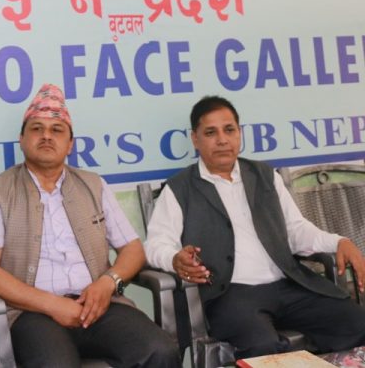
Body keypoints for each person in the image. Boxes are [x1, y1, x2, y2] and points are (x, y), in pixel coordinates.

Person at [0, 83, 181, 368]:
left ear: (70, 143)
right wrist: (52, 304)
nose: (46, 135)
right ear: (21, 139)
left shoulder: (93, 185)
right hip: (31, 314)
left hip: (99, 306)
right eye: (36, 128)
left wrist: (108, 283)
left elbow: (132, 249)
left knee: (160, 350)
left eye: (57, 130)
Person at [144, 95, 365, 359]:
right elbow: (155, 244)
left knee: (356, 323)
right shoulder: (180, 188)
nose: (222, 140)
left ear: (239, 133)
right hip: (230, 295)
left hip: (288, 283)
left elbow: (296, 231)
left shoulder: (265, 175)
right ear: (195, 139)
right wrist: (174, 258)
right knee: (263, 347)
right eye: (211, 133)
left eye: (229, 130)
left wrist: (338, 241)